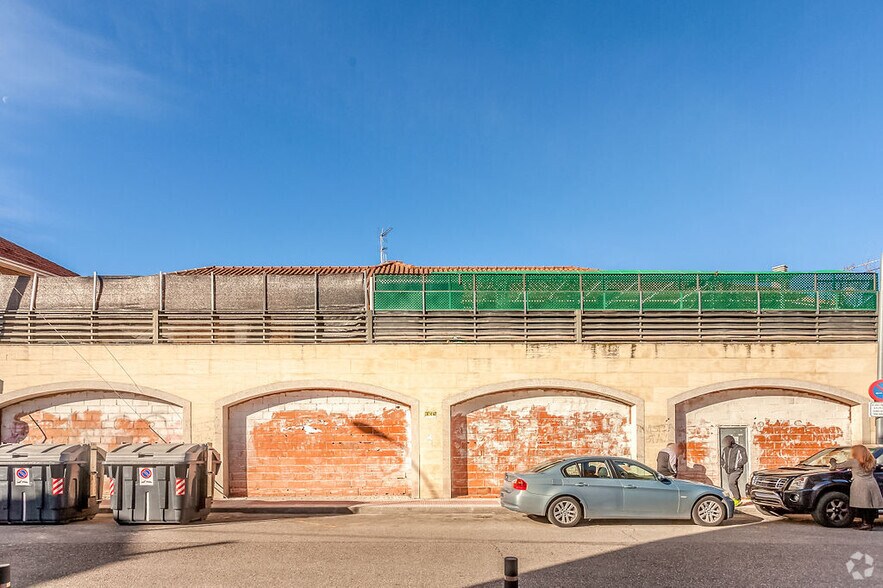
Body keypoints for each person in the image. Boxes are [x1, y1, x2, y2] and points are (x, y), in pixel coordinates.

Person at [830, 445, 883, 531]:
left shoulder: (854, 462)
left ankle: (865, 524)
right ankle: (870, 523)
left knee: (862, 505)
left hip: (860, 484)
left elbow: (836, 466)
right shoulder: (872, 461)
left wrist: (832, 461)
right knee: (870, 505)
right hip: (872, 484)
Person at [720, 435, 747, 506]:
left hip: (737, 470)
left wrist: (737, 466)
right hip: (728, 470)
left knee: (731, 483)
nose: (725, 443)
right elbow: (721, 459)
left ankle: (737, 499)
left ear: (731, 441)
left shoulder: (740, 449)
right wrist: (724, 465)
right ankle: (737, 498)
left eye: (726, 442)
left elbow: (744, 459)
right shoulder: (725, 449)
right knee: (733, 484)